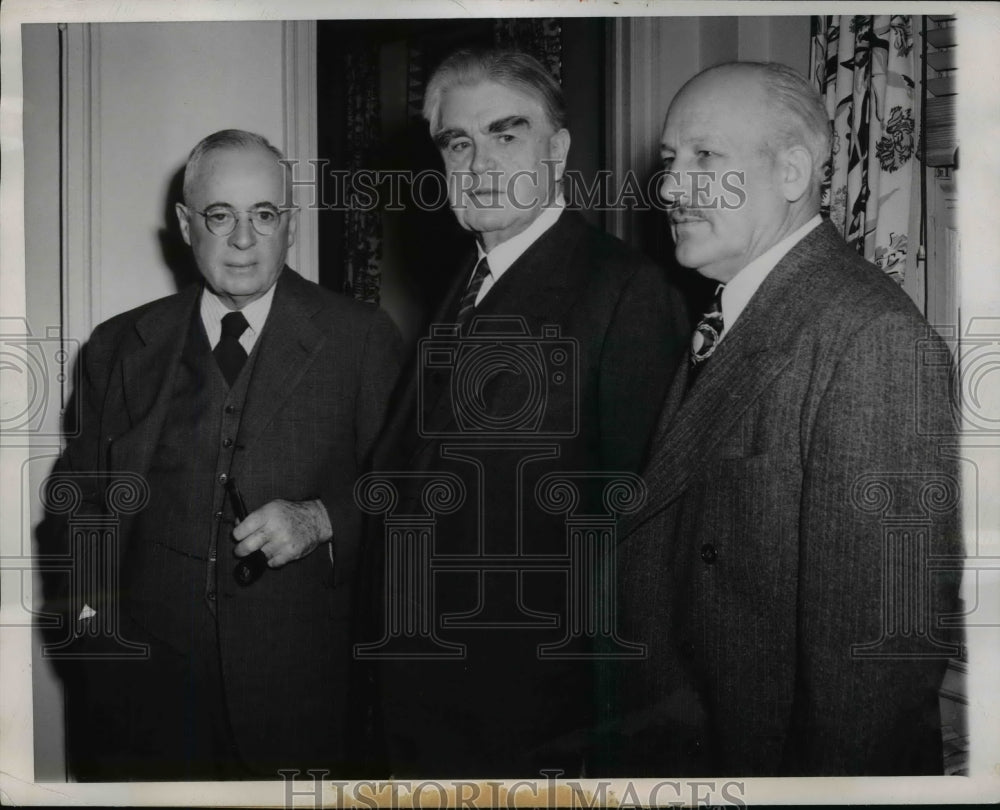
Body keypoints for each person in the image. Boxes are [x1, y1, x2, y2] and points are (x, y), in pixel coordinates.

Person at [607, 62, 963, 776]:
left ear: (793, 172)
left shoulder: (869, 338)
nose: (672, 186)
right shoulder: (731, 316)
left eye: (706, 156)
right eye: (672, 161)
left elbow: (877, 675)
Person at [360, 49, 689, 777]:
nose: (480, 165)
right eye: (458, 142)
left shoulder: (623, 291)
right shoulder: (464, 286)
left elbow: (642, 540)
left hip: (538, 719)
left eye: (506, 135)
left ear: (558, 148)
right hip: (423, 700)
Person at [44, 129, 400, 780]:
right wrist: (93, 634)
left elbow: (402, 496)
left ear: (288, 224)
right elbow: (79, 508)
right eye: (221, 215)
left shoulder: (361, 341)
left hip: (302, 711)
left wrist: (322, 518)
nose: (243, 240)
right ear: (185, 225)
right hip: (143, 715)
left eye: (264, 215)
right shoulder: (120, 348)